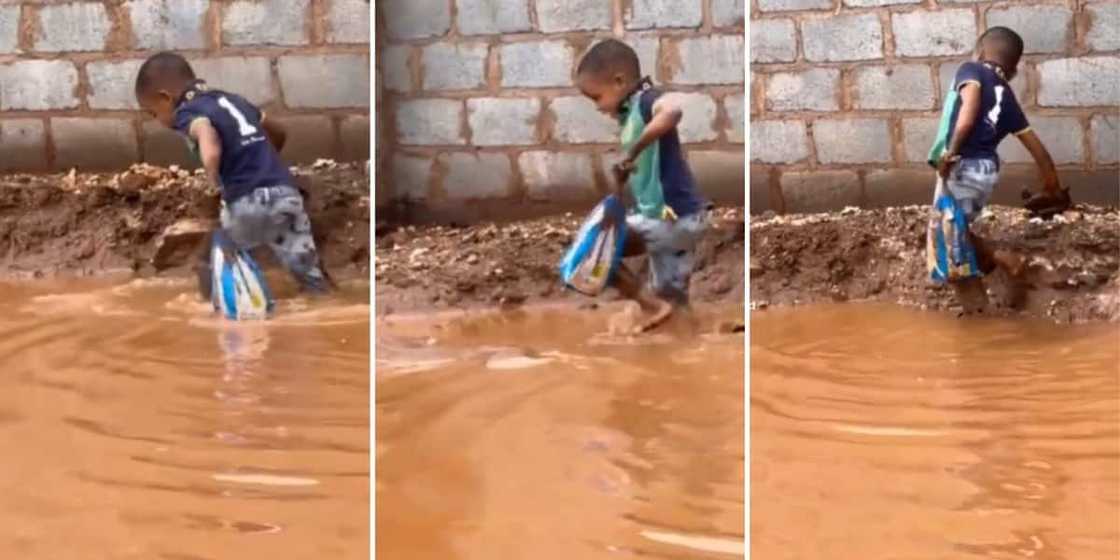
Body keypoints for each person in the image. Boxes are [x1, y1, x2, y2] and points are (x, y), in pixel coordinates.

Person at [134, 51, 330, 295]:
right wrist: (265, 162)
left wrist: (213, 178)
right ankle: (322, 297)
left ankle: (218, 316)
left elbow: (207, 136)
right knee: (310, 276)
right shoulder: (233, 100)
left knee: (211, 263)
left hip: (245, 200)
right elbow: (279, 132)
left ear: (165, 98)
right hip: (286, 194)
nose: (159, 120)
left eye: (153, 113)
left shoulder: (187, 112)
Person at [927, 26, 1070, 312]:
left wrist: (949, 154)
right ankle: (982, 290)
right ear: (1014, 69)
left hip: (962, 164)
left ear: (980, 51)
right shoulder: (1007, 97)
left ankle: (996, 266)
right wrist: (1052, 188)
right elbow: (1038, 149)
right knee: (955, 231)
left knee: (946, 239)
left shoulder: (971, 70)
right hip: (986, 170)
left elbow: (968, 113)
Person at [575, 39, 708, 332]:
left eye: (596, 97)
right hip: (678, 218)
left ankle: (649, 306)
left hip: (674, 218)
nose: (597, 107)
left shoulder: (648, 101)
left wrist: (633, 151)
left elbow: (672, 112)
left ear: (619, 81)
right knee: (674, 307)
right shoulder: (629, 114)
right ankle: (692, 339)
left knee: (595, 250)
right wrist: (624, 176)